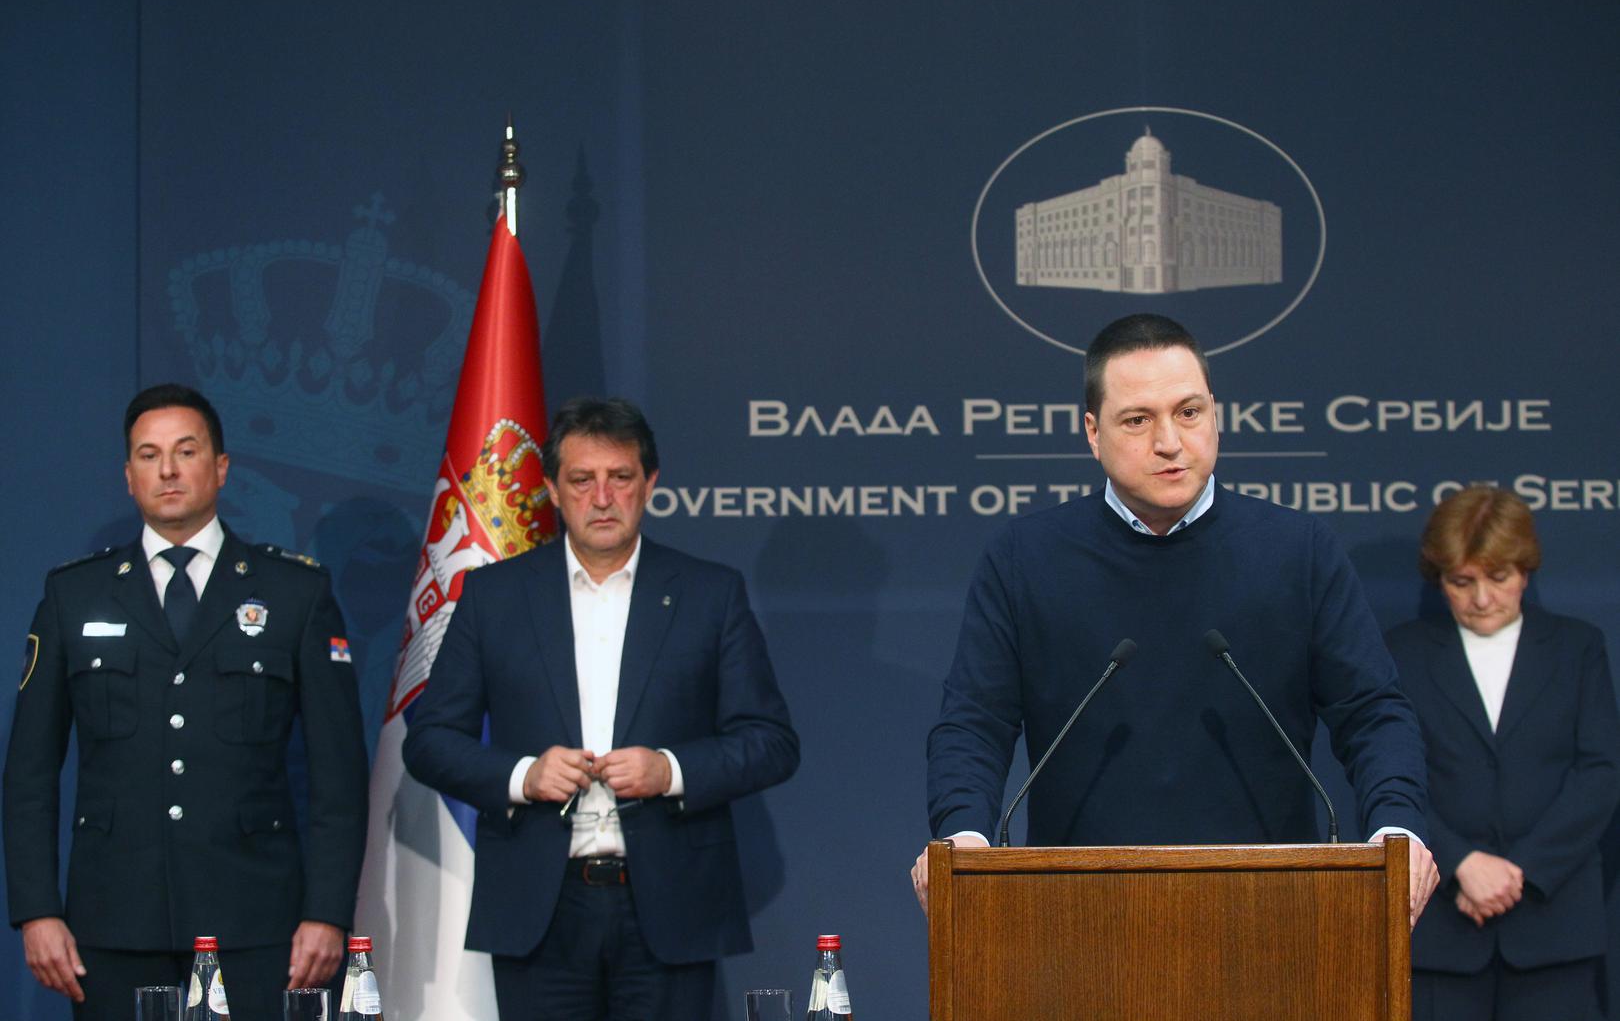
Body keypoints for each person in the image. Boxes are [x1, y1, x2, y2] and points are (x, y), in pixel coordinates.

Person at [912, 313, 1439, 926]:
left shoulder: (1298, 550)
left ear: (1216, 413)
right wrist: (965, 837)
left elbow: (1373, 714)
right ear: (1092, 432)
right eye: (1137, 420)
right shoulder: (1026, 558)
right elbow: (974, 723)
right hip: (1075, 911)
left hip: (1274, 913)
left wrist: (1396, 829)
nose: (1169, 442)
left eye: (1188, 412)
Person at [402, 396, 799, 1021]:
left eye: (620, 478)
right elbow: (428, 741)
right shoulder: (494, 596)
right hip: (541, 903)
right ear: (553, 492)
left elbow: (771, 741)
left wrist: (669, 770)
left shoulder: (708, 594)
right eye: (582, 480)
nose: (603, 497)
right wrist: (520, 776)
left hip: (668, 905)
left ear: (650, 484)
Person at [3, 383, 370, 1021]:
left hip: (256, 925)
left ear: (221, 468)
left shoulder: (293, 593)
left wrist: (327, 913)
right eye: (148, 455)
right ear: (127, 476)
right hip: (113, 923)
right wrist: (37, 909)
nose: (167, 470)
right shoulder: (74, 596)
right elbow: (30, 773)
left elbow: (340, 776)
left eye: (185, 450)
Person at [1386, 485, 1620, 1019]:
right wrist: (1462, 862)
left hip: (1553, 925)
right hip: (1440, 933)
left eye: (1498, 578)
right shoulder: (1403, 652)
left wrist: (1523, 871)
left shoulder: (1577, 648)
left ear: (1525, 571)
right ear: (1440, 580)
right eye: (1462, 582)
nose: (1483, 599)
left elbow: (1601, 773)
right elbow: (1392, 774)